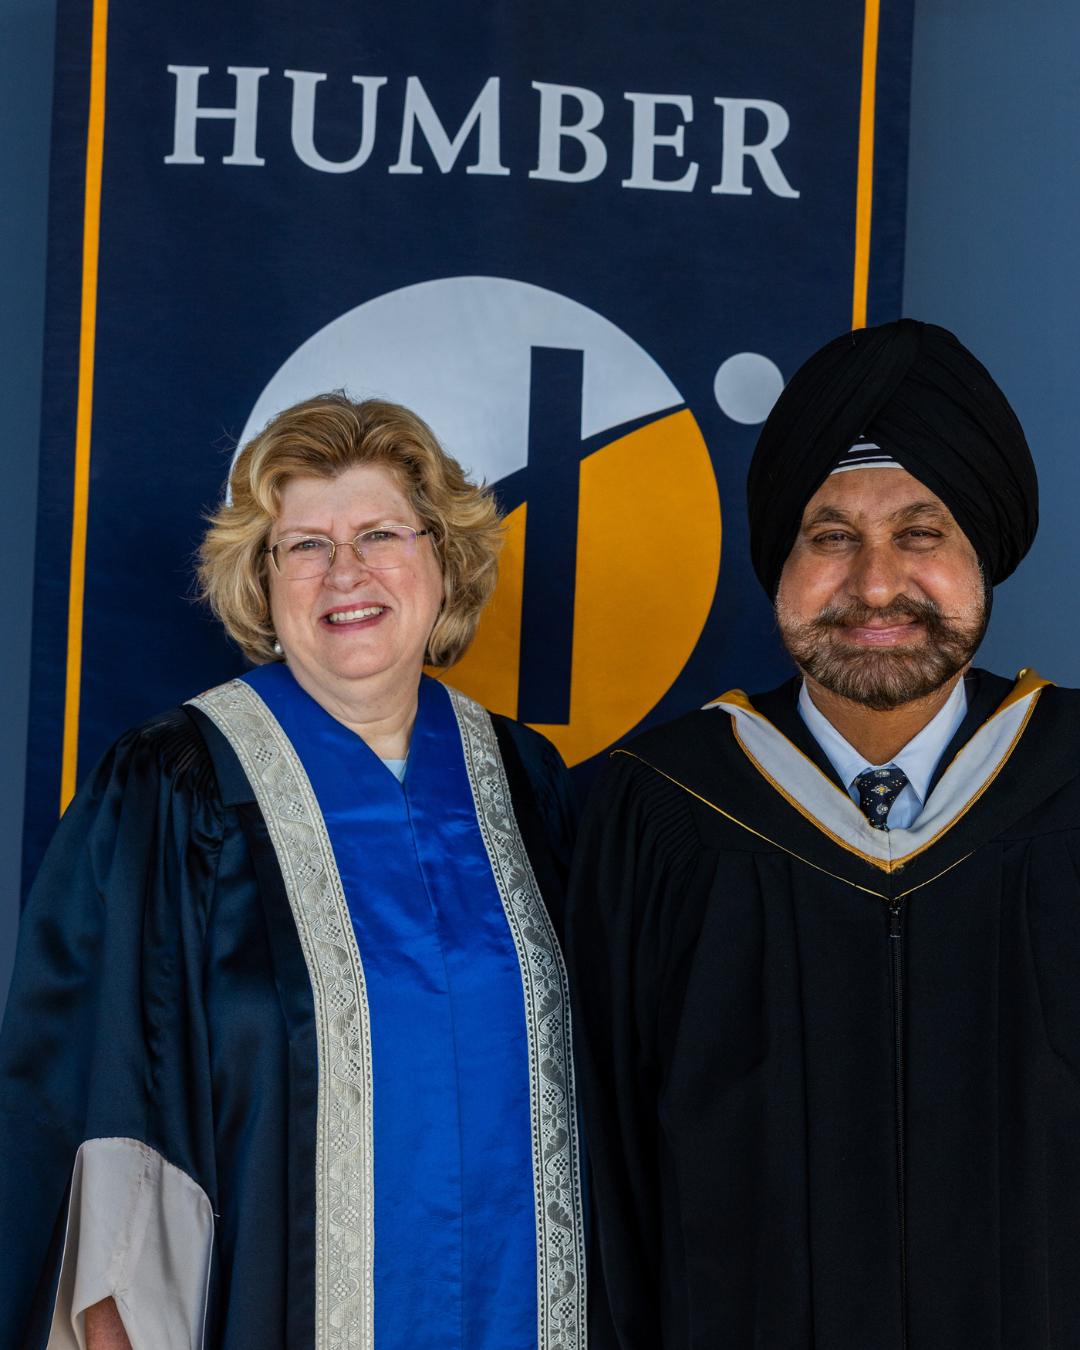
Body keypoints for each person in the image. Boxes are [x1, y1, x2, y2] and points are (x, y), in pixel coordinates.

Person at [0, 394, 587, 1349]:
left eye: (380, 533)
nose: (344, 572)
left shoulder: (529, 788)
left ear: (441, 557)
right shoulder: (172, 789)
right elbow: (105, 1114)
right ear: (261, 582)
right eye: (303, 545)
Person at [568, 318, 1080, 1349]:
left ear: (985, 550)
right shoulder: (649, 813)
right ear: (781, 556)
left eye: (922, 534)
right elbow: (595, 1185)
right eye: (832, 535)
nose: (877, 584)